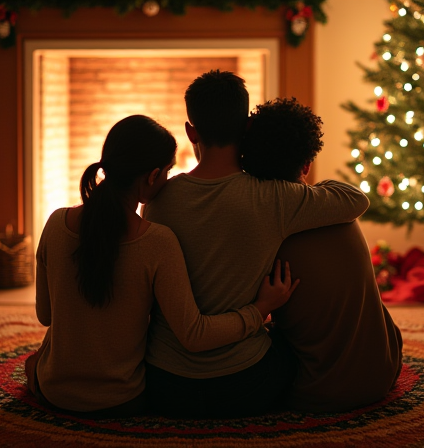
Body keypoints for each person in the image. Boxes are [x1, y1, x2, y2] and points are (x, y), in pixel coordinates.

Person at [25, 115, 299, 418]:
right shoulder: (155, 241)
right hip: (121, 400)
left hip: (55, 393)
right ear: (153, 176)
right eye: (169, 171)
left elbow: (45, 314)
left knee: (33, 362)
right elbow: (194, 334)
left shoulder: (55, 223)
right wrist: (260, 309)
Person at [143, 71, 370, 417]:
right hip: (246, 385)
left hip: (166, 386)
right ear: (247, 126)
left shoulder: (159, 201)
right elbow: (355, 200)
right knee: (288, 344)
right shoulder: (275, 197)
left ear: (191, 131)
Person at [241, 97, 403, 413]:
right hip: (384, 372)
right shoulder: (336, 204)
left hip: (315, 392)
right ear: (307, 164)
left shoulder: (264, 229)